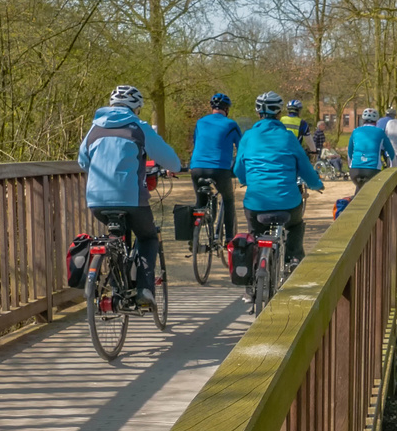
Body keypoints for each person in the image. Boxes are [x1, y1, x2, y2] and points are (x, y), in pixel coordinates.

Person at [78, 85, 181, 311]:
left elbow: (83, 162)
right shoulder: (139, 127)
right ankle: (144, 290)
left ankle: (116, 290)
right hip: (130, 198)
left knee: (118, 237)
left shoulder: (94, 128)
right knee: (147, 237)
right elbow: (172, 161)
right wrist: (176, 167)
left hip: (97, 200)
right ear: (137, 108)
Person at [234, 91, 324, 269]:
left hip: (256, 203)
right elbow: (305, 168)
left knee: (255, 235)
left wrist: (246, 180)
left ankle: (251, 284)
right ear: (279, 113)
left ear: (258, 112)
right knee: (296, 225)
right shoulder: (289, 138)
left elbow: (238, 169)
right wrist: (316, 184)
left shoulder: (248, 137)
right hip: (287, 203)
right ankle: (293, 259)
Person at [188, 92, 242, 236]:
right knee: (228, 200)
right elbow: (242, 149)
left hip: (197, 168)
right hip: (219, 169)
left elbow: (196, 142)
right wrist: (238, 168)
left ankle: (193, 236)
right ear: (227, 109)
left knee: (200, 201)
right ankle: (229, 239)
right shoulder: (231, 124)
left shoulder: (200, 122)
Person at [347, 108, 395, 190]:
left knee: (360, 190)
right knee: (374, 192)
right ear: (376, 120)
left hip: (355, 170)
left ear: (363, 120)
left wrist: (350, 165)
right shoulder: (380, 132)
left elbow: (349, 152)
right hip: (372, 170)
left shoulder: (355, 131)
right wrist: (393, 167)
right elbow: (392, 153)